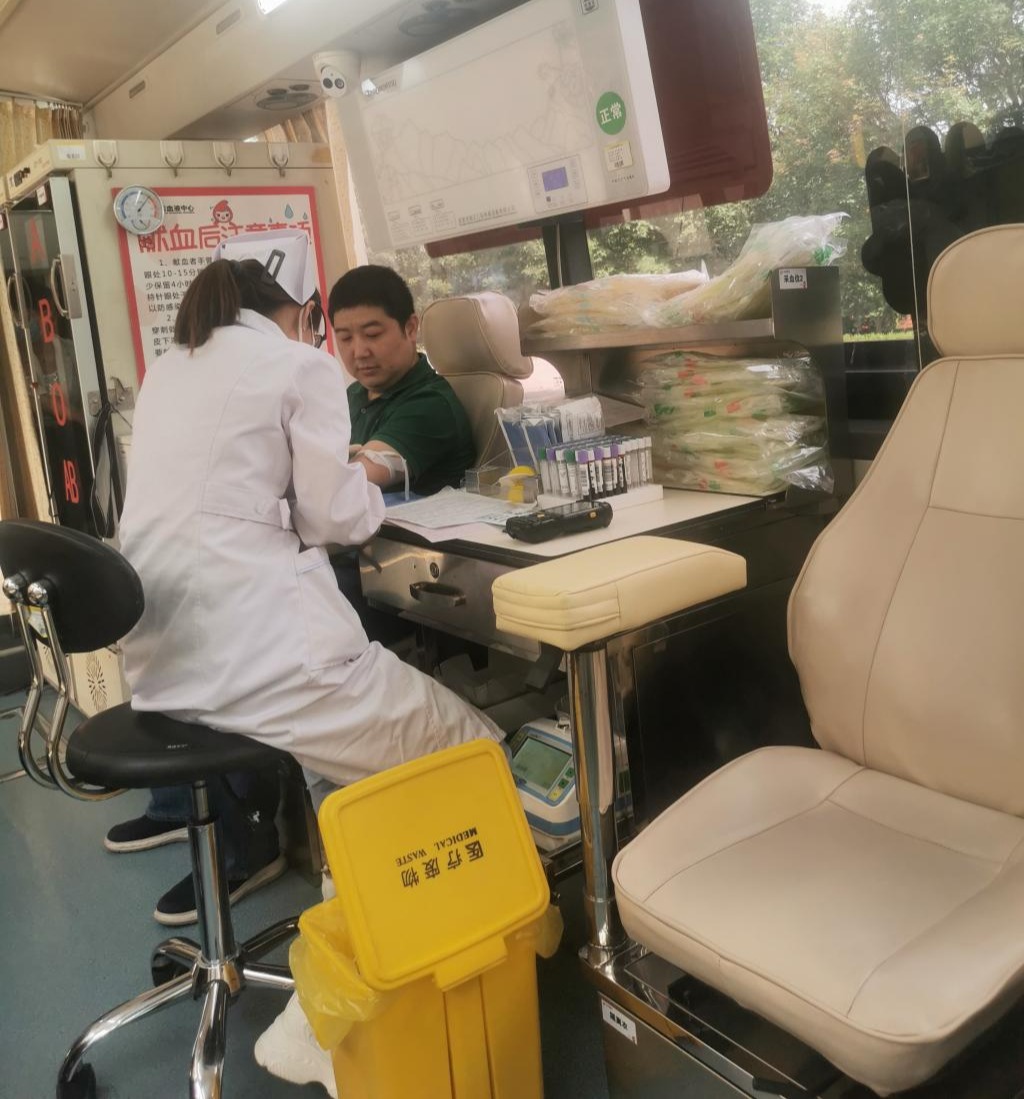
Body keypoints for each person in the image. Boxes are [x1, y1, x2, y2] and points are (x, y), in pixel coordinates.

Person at [116, 229, 503, 1095]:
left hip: (168, 662)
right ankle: (339, 1016)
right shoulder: (298, 367)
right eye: (335, 330)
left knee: (343, 778)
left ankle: (354, 966)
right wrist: (333, 493)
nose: (346, 348)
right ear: (302, 316)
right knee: (473, 752)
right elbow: (336, 517)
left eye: (372, 332)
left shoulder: (172, 368)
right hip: (265, 658)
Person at [328, 265, 476, 643]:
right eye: (344, 338)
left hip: (404, 586)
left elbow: (358, 478)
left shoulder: (429, 403)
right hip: (356, 561)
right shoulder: (353, 396)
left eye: (372, 334)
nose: (359, 351)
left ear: (411, 328)